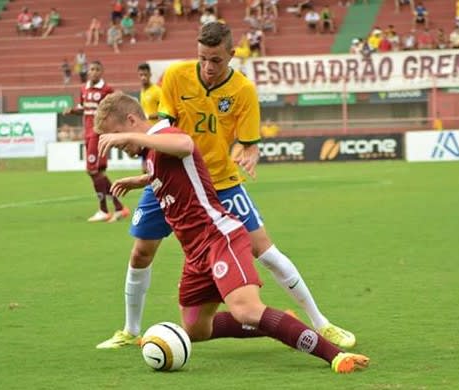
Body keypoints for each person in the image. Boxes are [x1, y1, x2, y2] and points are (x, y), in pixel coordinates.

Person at [96, 21, 357, 351]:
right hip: (173, 182)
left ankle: (321, 323)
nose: (207, 67)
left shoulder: (243, 90)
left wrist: (250, 154)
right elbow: (163, 133)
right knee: (140, 253)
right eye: (202, 58)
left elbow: (248, 142)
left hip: (221, 182)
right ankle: (130, 329)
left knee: (268, 252)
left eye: (216, 60)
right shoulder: (176, 77)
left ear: (232, 55)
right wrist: (148, 178)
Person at [63, 61, 130, 222]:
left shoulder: (107, 90)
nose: (94, 72)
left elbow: (117, 107)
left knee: (92, 170)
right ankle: (119, 208)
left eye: (97, 70)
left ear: (101, 72)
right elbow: (83, 108)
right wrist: (72, 110)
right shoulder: (83, 88)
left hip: (98, 133)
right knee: (97, 172)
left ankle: (103, 210)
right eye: (92, 69)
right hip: (87, 132)